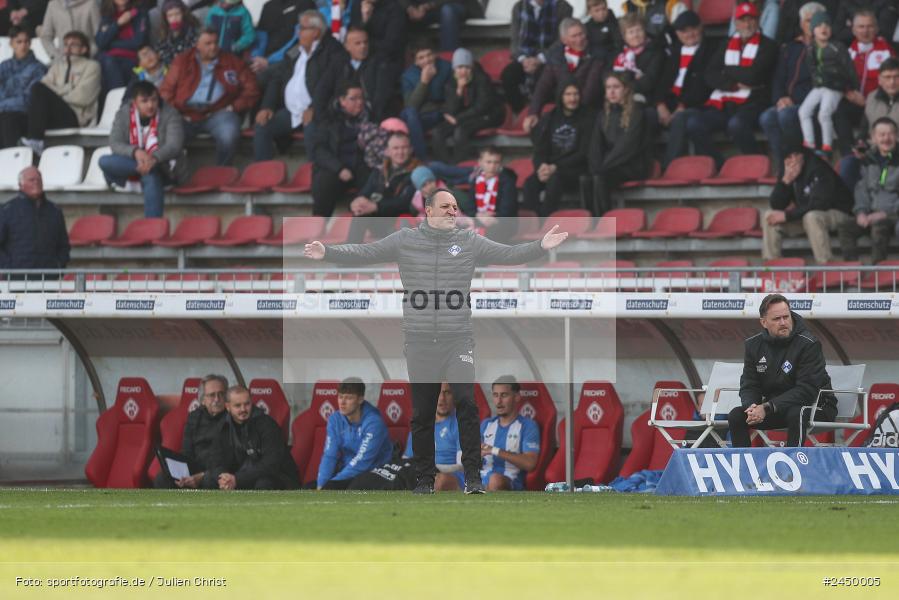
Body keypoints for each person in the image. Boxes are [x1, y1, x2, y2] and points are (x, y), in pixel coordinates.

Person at [304, 189, 568, 494]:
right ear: (428, 211)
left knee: (466, 404)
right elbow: (366, 253)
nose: (453, 211)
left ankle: (472, 478)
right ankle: (425, 479)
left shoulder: (469, 240)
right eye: (446, 206)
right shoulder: (405, 239)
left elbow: (507, 255)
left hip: (458, 337)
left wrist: (540, 246)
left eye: (456, 207)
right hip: (419, 339)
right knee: (422, 412)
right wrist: (329, 252)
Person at [728, 294, 837, 448]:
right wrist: (751, 407)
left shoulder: (808, 344)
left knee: (796, 412)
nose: (783, 322)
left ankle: (792, 466)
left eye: (786, 317)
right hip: (776, 407)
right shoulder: (753, 345)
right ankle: (744, 467)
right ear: (764, 322)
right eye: (776, 319)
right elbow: (749, 384)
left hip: (816, 406)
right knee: (736, 415)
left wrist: (766, 407)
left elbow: (806, 391)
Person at [684, 2, 777, 167]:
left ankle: (758, 162)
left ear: (758, 21)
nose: (747, 24)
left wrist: (726, 70)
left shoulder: (768, 45)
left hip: (753, 103)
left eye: (751, 20)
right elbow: (710, 74)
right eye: (743, 20)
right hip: (724, 103)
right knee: (693, 123)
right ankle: (719, 165)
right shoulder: (726, 44)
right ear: (736, 23)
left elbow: (753, 76)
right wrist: (733, 84)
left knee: (736, 125)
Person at [253, 9, 347, 161]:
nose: (297, 33)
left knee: (312, 128)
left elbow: (333, 86)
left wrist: (315, 108)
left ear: (316, 32)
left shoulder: (333, 51)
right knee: (262, 125)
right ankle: (262, 174)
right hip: (291, 112)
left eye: (302, 29)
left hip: (318, 112)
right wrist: (267, 106)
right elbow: (277, 78)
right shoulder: (296, 50)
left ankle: (315, 177)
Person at [159, 27, 259, 165]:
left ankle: (222, 174)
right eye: (208, 44)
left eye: (215, 42)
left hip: (218, 113)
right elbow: (166, 91)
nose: (213, 47)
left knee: (229, 133)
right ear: (197, 45)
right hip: (184, 114)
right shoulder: (182, 61)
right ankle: (175, 176)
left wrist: (234, 107)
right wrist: (175, 113)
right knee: (167, 134)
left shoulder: (233, 62)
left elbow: (251, 90)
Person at [100, 81, 185, 217]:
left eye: (154, 100)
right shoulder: (123, 113)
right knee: (104, 161)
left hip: (163, 167)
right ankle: (153, 231)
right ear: (135, 103)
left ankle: (152, 229)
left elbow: (174, 145)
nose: (150, 105)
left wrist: (154, 158)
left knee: (151, 175)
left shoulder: (170, 113)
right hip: (130, 167)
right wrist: (135, 152)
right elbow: (115, 143)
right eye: (144, 101)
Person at [763, 139, 853, 264]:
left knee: (812, 216)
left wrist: (788, 215)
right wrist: (785, 182)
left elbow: (819, 203)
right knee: (769, 216)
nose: (792, 159)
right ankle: (772, 268)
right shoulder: (787, 168)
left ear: (802, 154)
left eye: (796, 155)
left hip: (839, 213)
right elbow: (776, 205)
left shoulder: (818, 167)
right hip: (806, 217)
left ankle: (826, 266)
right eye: (788, 156)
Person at [759, 1, 823, 170]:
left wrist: (792, 101)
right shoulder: (790, 47)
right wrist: (780, 99)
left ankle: (802, 162)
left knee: (786, 116)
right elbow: (779, 79)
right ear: (802, 24)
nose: (813, 24)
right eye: (808, 21)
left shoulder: (827, 48)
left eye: (817, 20)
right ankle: (785, 165)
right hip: (790, 103)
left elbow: (821, 84)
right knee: (767, 117)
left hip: (812, 104)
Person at [19, 30, 100, 156]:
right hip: (53, 114)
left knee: (38, 89)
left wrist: (55, 93)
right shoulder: (57, 66)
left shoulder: (92, 66)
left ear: (84, 49)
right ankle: (12, 155)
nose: (68, 48)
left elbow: (82, 97)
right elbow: (45, 85)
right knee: (11, 115)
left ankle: (36, 141)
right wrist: (67, 88)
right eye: (66, 44)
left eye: (73, 44)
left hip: (76, 116)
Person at [207, 385, 300, 490]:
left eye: (247, 404)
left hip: (277, 477)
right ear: (228, 407)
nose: (243, 409)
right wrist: (223, 478)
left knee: (264, 483)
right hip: (238, 477)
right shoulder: (222, 427)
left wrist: (237, 479)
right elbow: (215, 461)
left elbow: (271, 464)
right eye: (237, 406)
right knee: (209, 480)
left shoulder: (267, 425)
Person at [522, 17, 604, 134]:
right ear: (564, 40)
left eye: (581, 34)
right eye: (574, 36)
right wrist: (533, 113)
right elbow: (543, 86)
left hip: (589, 112)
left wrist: (572, 116)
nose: (579, 39)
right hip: (564, 110)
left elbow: (591, 89)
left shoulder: (597, 55)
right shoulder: (556, 56)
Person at [522, 82, 593, 217]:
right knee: (530, 183)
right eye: (568, 94)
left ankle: (544, 221)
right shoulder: (550, 117)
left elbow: (584, 153)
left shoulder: (588, 117)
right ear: (561, 96)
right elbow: (540, 148)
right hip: (550, 168)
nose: (572, 98)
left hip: (575, 169)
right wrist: (541, 167)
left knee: (554, 180)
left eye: (575, 94)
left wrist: (556, 167)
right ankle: (531, 222)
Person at [587, 71, 651, 216]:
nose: (612, 91)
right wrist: (595, 167)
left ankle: (604, 224)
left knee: (600, 176)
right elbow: (595, 145)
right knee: (587, 178)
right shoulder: (603, 113)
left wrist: (603, 167)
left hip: (633, 164)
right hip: (610, 164)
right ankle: (592, 223)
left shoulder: (637, 111)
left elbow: (628, 146)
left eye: (616, 87)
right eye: (608, 87)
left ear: (626, 89)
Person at [308, 79, 374, 217]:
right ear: (342, 101)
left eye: (361, 98)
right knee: (324, 182)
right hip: (337, 167)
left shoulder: (371, 118)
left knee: (373, 183)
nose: (359, 102)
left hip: (362, 166)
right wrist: (339, 168)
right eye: (353, 99)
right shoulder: (328, 120)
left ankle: (366, 232)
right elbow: (319, 150)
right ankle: (317, 231)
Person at [656, 9, 713, 168]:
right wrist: (660, 105)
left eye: (693, 29)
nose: (689, 34)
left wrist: (682, 107)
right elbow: (662, 81)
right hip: (670, 102)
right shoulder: (675, 51)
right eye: (683, 31)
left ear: (701, 27)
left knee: (681, 119)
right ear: (678, 34)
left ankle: (669, 167)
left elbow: (703, 86)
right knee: (645, 116)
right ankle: (646, 165)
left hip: (695, 104)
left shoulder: (710, 50)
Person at [839, 117, 899, 264]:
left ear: (897, 136)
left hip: (893, 215)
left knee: (878, 228)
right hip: (871, 214)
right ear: (873, 138)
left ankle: (878, 274)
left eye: (890, 134)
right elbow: (861, 190)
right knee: (845, 227)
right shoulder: (867, 161)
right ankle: (851, 270)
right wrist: (861, 213)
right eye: (881, 134)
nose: (886, 138)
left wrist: (885, 213)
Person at [316, 377, 395, 490]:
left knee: (348, 488)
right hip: (347, 472)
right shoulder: (335, 419)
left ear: (360, 399)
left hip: (374, 473)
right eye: (340, 397)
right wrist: (321, 484)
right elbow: (330, 455)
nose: (342, 402)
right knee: (309, 487)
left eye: (349, 398)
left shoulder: (374, 422)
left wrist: (334, 482)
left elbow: (363, 461)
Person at [797, 11, 857, 159]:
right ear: (812, 30)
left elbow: (849, 69)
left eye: (827, 25)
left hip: (835, 87)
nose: (823, 28)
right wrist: (818, 80)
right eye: (818, 25)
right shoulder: (810, 49)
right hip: (820, 86)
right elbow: (811, 69)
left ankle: (827, 145)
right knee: (803, 111)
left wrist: (849, 88)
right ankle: (809, 143)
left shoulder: (837, 47)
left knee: (824, 113)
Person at [153, 374, 229, 489]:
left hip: (219, 470)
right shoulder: (194, 417)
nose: (217, 399)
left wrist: (202, 476)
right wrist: (183, 474)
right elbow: (186, 451)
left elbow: (230, 458)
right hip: (194, 468)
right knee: (162, 478)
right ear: (203, 400)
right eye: (212, 395)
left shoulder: (232, 418)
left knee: (210, 481)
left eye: (221, 394)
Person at [430, 48, 504, 164]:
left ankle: (460, 163)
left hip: (487, 115)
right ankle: (446, 164)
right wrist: (459, 91)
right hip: (462, 116)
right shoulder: (451, 82)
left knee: (460, 131)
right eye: (459, 67)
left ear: (472, 67)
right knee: (437, 132)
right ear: (454, 69)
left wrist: (458, 118)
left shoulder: (482, 79)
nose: (463, 71)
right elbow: (450, 109)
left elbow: (482, 107)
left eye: (467, 67)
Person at [501, 0, 574, 114]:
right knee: (508, 75)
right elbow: (514, 40)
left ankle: (543, 114)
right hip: (524, 57)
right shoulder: (519, 7)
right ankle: (520, 113)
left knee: (546, 78)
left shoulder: (563, 7)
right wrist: (523, 59)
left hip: (550, 57)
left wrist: (540, 59)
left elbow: (562, 41)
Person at [345, 131, 420, 241]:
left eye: (404, 148)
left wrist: (376, 206)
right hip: (381, 220)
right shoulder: (379, 171)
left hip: (403, 223)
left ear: (410, 149)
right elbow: (364, 193)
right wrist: (355, 203)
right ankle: (350, 253)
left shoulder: (418, 172)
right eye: (396, 148)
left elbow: (406, 203)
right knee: (360, 212)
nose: (400, 152)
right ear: (387, 151)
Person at [841, 57, 899, 191]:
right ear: (879, 80)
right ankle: (848, 207)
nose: (892, 82)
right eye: (887, 77)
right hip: (872, 151)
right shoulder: (872, 97)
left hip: (895, 154)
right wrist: (860, 144)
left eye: (897, 77)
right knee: (848, 162)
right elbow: (864, 128)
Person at [0, 166, 70, 271]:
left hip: (48, 278)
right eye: (31, 180)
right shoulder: (7, 210)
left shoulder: (55, 211)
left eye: (39, 179)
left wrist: (58, 266)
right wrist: (8, 267)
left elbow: (64, 245)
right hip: (15, 279)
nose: (36, 182)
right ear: (21, 185)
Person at [479, 376, 540, 492]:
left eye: (504, 395)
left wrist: (494, 450)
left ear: (516, 397)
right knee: (441, 479)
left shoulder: (528, 426)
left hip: (510, 480)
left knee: (495, 480)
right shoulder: (486, 424)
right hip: (481, 478)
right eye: (495, 395)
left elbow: (530, 463)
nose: (499, 401)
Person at [403, 382, 465, 491]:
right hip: (425, 473)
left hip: (453, 475)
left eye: (447, 393)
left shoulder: (460, 422)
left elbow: (461, 466)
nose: (442, 398)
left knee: (438, 480)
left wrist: (433, 470)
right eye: (438, 393)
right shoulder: (420, 424)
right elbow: (407, 460)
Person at [400, 39, 452, 160]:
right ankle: (422, 159)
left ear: (435, 54)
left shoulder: (446, 68)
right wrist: (424, 82)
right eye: (421, 57)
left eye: (429, 55)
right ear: (415, 62)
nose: (427, 60)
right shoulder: (408, 76)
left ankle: (422, 160)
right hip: (419, 117)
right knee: (410, 113)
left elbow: (450, 96)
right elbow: (411, 105)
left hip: (439, 114)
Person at [0, 26, 47, 149]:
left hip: (24, 116)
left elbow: (28, 100)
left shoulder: (39, 68)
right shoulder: (3, 66)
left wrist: (2, 105)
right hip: (5, 112)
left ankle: (12, 160)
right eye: (19, 42)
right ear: (11, 44)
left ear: (30, 43)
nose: (23, 45)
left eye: (26, 41)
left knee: (7, 120)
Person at [95, 0, 150, 94]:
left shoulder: (139, 13)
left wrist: (111, 44)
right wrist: (118, 24)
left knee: (123, 66)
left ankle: (120, 99)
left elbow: (138, 42)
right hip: (109, 58)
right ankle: (118, 98)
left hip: (131, 57)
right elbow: (100, 42)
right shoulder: (108, 15)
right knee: (106, 62)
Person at [339, 26, 393, 122]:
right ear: (347, 46)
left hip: (372, 116)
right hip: (343, 115)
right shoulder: (339, 65)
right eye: (358, 43)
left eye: (365, 42)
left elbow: (381, 97)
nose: (363, 46)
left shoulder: (380, 64)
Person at [249, 0, 316, 76]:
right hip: (264, 60)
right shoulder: (268, 6)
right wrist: (256, 59)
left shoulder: (306, 3)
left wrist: (269, 61)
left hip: (287, 59)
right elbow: (260, 37)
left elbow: (299, 42)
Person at [611, 12, 664, 107]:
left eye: (639, 30)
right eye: (631, 32)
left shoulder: (655, 51)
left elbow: (649, 81)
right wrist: (632, 75)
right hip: (619, 94)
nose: (636, 35)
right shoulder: (619, 53)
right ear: (624, 36)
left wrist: (626, 87)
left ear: (645, 31)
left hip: (646, 98)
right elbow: (611, 75)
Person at [402, 0, 480, 53]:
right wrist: (409, 8)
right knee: (397, 12)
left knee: (447, 11)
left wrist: (429, 5)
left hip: (455, 4)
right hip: (422, 10)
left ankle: (448, 61)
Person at [154, 0, 199, 66]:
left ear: (183, 14)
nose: (174, 18)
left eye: (177, 14)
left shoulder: (194, 32)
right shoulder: (163, 37)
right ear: (165, 18)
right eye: (170, 16)